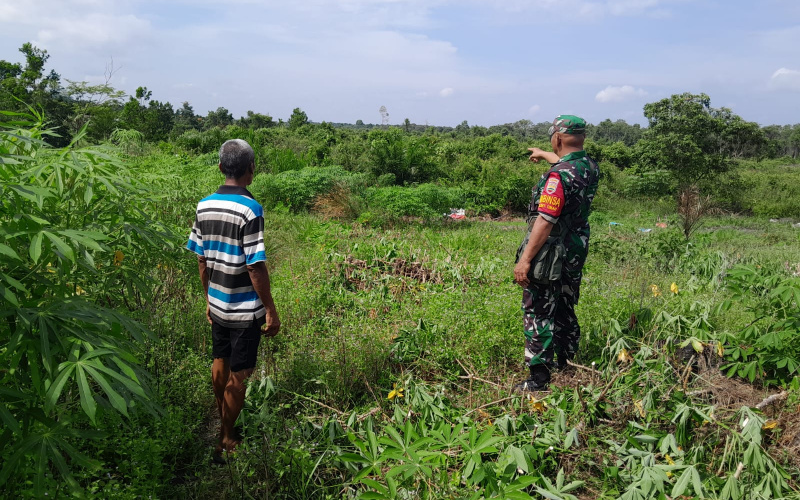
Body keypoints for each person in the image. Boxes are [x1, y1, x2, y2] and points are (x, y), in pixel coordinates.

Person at [186, 139, 281, 460]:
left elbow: (201, 260)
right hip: (243, 310)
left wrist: (209, 300)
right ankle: (226, 437)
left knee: (220, 360)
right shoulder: (251, 209)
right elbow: (255, 265)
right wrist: (270, 309)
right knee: (240, 374)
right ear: (251, 170)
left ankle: (223, 425)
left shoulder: (203, 205)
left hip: (217, 304)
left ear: (220, 167)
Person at [512, 115, 599, 391]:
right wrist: (544, 154)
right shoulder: (588, 167)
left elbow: (545, 221)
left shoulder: (558, 177)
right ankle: (567, 363)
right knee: (564, 302)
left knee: (538, 308)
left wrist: (525, 260)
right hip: (575, 249)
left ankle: (539, 379)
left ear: (558, 138)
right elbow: (565, 163)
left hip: (551, 253)